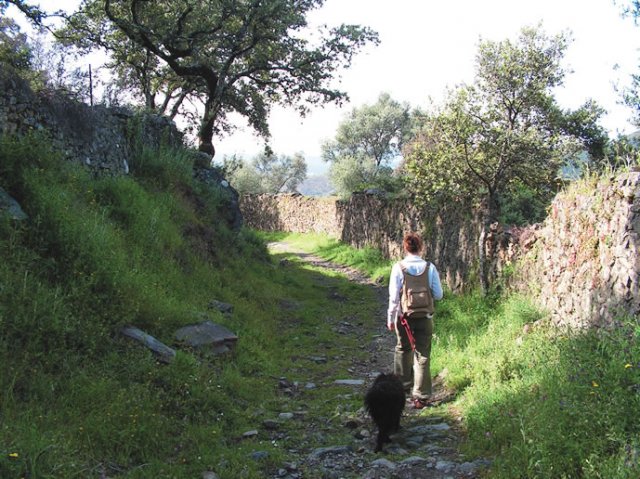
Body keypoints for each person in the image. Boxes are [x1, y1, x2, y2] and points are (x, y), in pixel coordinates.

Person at [387, 232, 443, 409]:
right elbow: (439, 295)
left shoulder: (399, 267)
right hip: (425, 318)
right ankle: (421, 396)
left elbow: (394, 298)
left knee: (402, 349)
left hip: (404, 318)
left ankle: (402, 387)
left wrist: (390, 318)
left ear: (405, 248)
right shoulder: (430, 267)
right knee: (423, 354)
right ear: (421, 247)